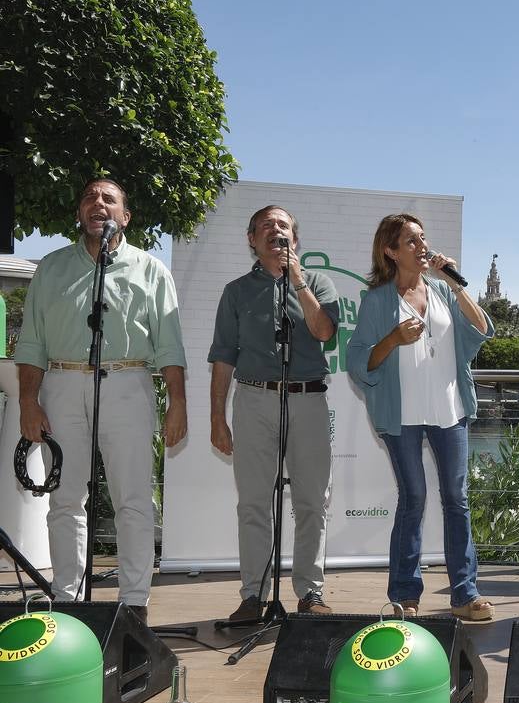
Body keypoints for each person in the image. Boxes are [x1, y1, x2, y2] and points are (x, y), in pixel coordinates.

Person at [15, 178, 187, 619]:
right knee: (66, 498)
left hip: (128, 383)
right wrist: (28, 403)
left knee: (132, 498)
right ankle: (67, 603)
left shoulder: (151, 269)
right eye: (90, 197)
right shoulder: (51, 268)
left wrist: (178, 405)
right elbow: (31, 343)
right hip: (62, 382)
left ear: (124, 217)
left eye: (109, 199)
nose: (99, 203)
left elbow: (170, 347)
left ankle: (133, 604)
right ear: (80, 213)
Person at [348, 213, 494, 620]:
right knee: (413, 499)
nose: (421, 246)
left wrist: (454, 282)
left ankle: (465, 594)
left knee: (457, 501)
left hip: (450, 411)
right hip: (403, 416)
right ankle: (404, 596)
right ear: (391, 251)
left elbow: (481, 329)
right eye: (411, 240)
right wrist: (393, 338)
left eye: (422, 238)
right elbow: (359, 361)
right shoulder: (376, 301)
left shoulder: (443, 292)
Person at [208, 205, 338, 621]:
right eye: (266, 226)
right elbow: (224, 357)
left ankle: (310, 593)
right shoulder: (236, 291)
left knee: (312, 501)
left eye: (283, 226)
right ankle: (253, 595)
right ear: (252, 239)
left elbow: (323, 332)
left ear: (295, 240)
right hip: (254, 399)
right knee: (253, 502)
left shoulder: (318, 282)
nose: (275, 231)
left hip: (308, 398)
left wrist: (297, 280)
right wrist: (216, 417)